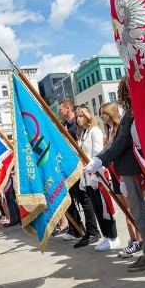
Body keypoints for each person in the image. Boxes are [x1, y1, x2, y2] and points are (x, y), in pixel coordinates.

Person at [87, 78, 145, 271]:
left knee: (140, 212)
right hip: (130, 169)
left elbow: (121, 142)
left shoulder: (130, 114)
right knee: (144, 210)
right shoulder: (130, 113)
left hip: (131, 169)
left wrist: (100, 159)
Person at [99, 102, 143, 258]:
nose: (101, 116)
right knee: (125, 209)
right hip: (114, 173)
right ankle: (132, 239)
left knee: (131, 208)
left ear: (111, 113)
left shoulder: (119, 128)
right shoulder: (109, 130)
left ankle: (139, 239)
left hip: (123, 174)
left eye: (103, 113)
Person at [75, 105, 118, 250]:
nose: (78, 118)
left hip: (97, 175)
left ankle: (113, 236)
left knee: (104, 206)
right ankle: (106, 235)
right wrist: (83, 178)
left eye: (81, 115)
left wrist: (94, 175)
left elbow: (98, 153)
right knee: (97, 208)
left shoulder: (94, 131)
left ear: (88, 116)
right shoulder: (82, 134)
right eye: (77, 116)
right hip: (87, 177)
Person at [58, 98, 100, 244]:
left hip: (83, 169)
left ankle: (92, 231)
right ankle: (77, 229)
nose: (59, 110)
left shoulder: (78, 129)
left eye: (61, 108)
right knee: (75, 199)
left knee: (85, 200)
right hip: (70, 168)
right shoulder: (64, 126)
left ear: (69, 108)